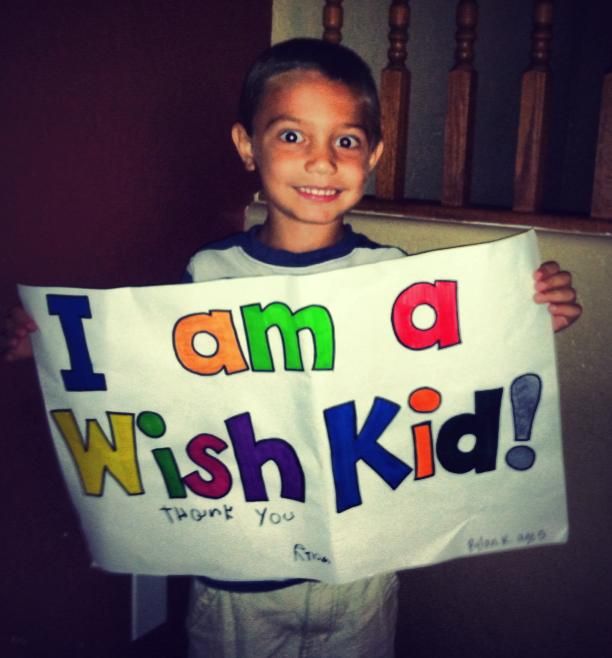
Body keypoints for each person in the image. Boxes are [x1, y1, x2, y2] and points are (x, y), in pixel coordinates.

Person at [2, 38, 581, 657]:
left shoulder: (395, 280)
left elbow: (444, 380)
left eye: (347, 141)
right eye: (291, 136)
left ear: (374, 155)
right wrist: (55, 349)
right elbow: (150, 377)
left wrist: (522, 318)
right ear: (247, 146)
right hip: (237, 580)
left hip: (362, 574)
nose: (323, 162)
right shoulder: (208, 275)